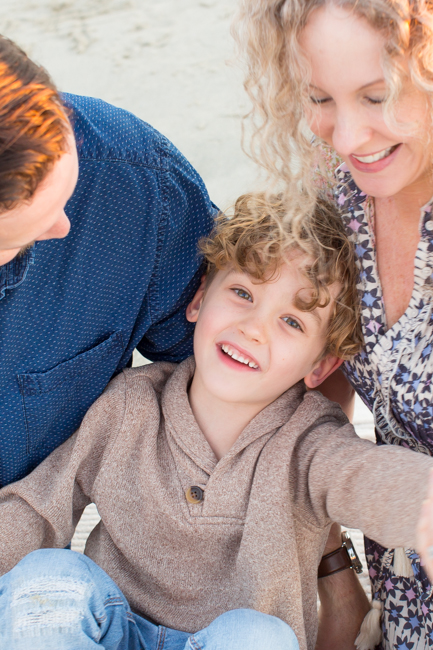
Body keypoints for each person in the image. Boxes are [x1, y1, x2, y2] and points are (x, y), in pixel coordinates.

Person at [0, 192, 432, 650]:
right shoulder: (131, 404)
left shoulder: (310, 443)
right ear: (199, 301)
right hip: (112, 631)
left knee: (257, 636)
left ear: (320, 366)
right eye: (242, 293)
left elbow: (364, 478)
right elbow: (40, 506)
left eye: (292, 322)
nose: (253, 328)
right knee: (48, 577)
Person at [233, 1, 433, 647]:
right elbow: (308, 406)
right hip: (404, 588)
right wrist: (335, 584)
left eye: (378, 96)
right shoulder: (336, 188)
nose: (347, 137)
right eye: (319, 97)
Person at [0, 35, 216, 488]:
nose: (62, 228)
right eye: (20, 238)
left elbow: (232, 377)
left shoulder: (133, 185)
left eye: (65, 192)